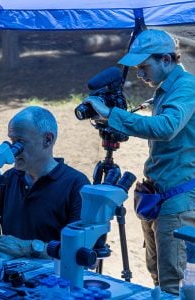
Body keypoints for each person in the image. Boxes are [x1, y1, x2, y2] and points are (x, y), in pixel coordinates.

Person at [83, 29, 195, 295]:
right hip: (159, 197)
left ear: (167, 60)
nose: (141, 75)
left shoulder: (186, 87)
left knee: (173, 285)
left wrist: (113, 115)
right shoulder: (165, 90)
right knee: (157, 276)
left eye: (145, 67)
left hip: (178, 200)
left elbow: (166, 127)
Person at [0, 106, 90, 258]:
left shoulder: (76, 185)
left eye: (20, 142)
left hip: (55, 275)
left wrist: (29, 247)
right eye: (11, 141)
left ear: (47, 140)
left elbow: (80, 251)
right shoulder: (8, 178)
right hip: (12, 272)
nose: (13, 150)